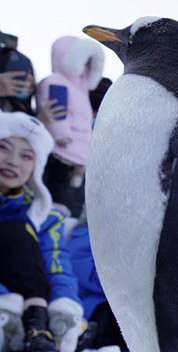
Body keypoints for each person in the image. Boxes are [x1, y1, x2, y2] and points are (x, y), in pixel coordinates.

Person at [0, 112, 84, 352]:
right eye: (4, 148)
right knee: (14, 230)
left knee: (20, 229)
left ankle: (38, 323)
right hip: (9, 300)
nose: (13, 162)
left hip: (30, 300)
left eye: (26, 156)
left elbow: (56, 263)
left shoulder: (46, 217)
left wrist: (63, 306)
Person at [36, 36, 105, 217]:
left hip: (78, 158)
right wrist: (61, 135)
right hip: (61, 154)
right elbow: (57, 113)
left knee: (73, 205)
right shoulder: (56, 82)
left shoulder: (82, 90)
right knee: (58, 202)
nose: (84, 67)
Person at [68, 222, 127, 351]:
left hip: (115, 302)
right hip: (94, 306)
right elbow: (86, 274)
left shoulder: (121, 236)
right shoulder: (84, 236)